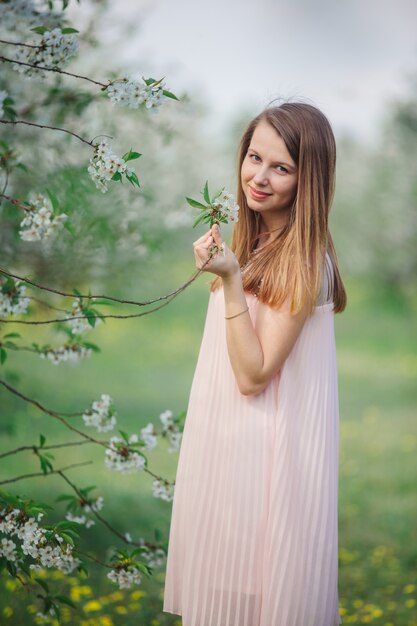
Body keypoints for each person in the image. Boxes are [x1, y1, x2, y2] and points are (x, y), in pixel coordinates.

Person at [163, 100, 347, 626]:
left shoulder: (305, 258)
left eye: (281, 167)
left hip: (263, 468)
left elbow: (252, 375)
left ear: (308, 179)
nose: (259, 177)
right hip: (227, 454)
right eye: (253, 157)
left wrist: (229, 280)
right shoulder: (260, 240)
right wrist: (234, 271)